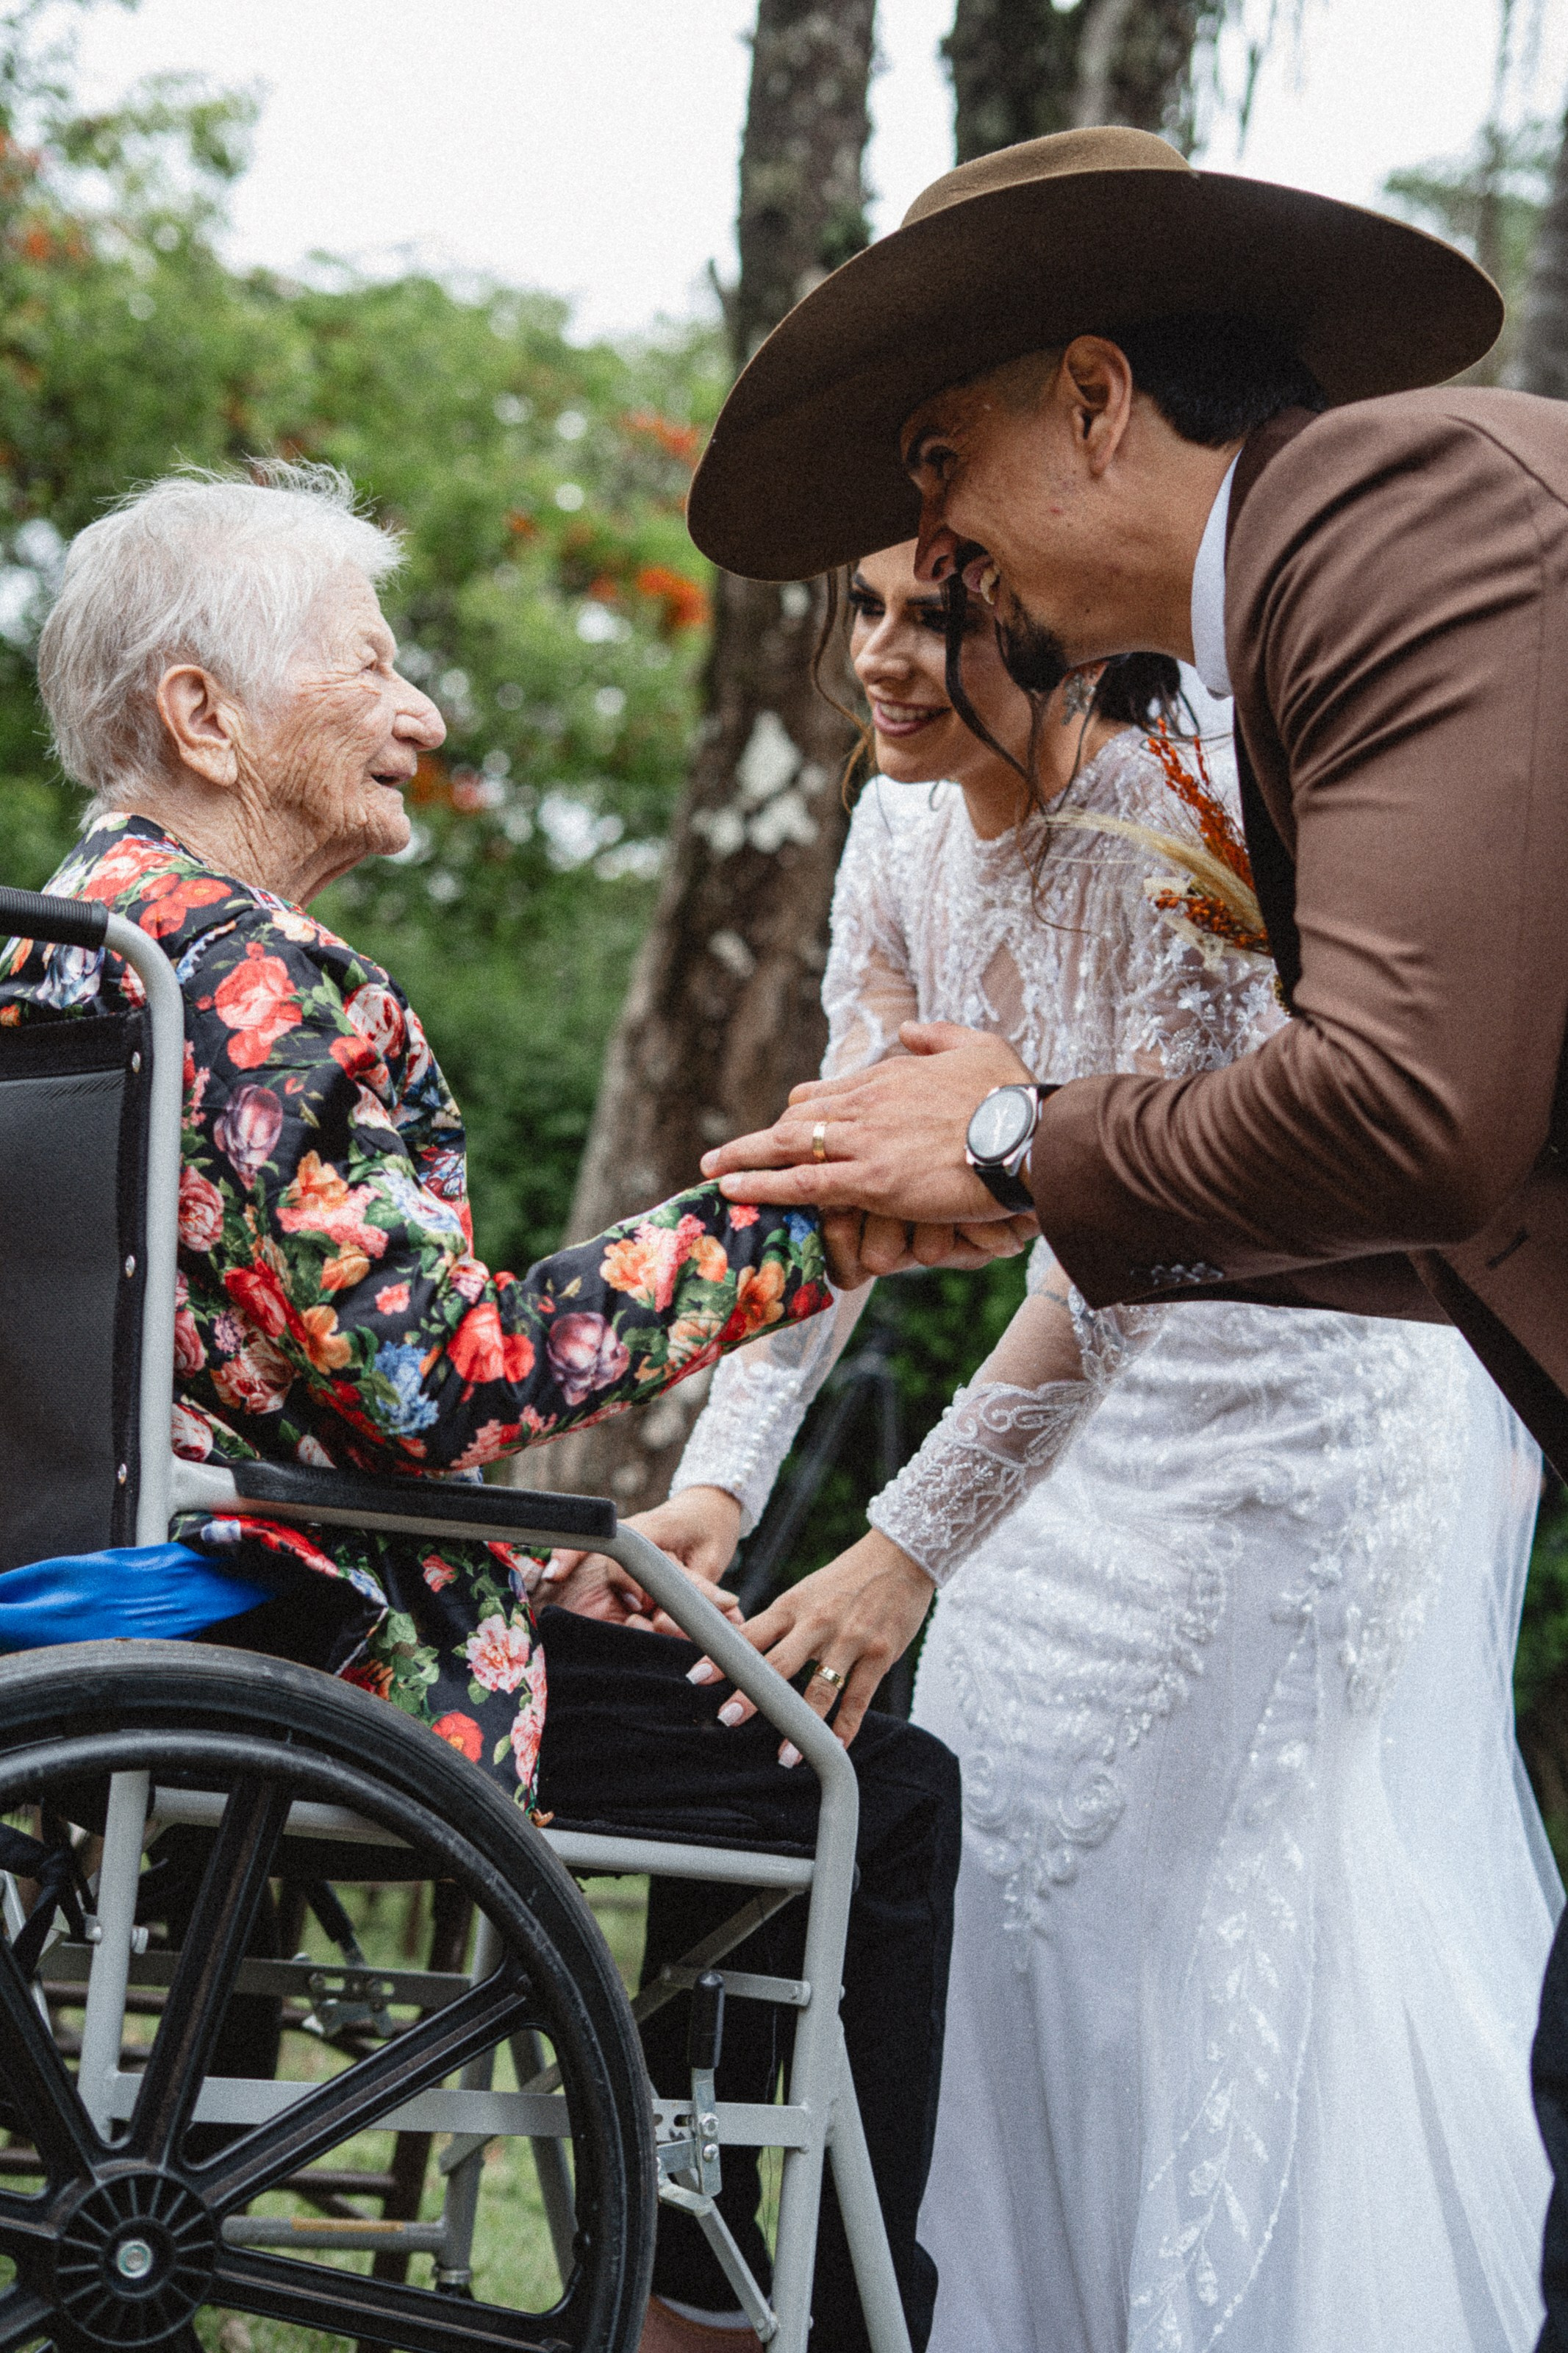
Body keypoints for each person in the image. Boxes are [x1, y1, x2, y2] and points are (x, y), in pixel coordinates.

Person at [681, 126, 1568, 2341]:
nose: (928, 541)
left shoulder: (1392, 517)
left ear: (1093, 396)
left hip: (1307, 1439)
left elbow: (1405, 1110)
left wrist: (1000, 1146)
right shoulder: (1251, 645)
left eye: (937, 458)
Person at [0, 463, 961, 2353]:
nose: (420, 710)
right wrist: (812, 1228)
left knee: (700, 1673)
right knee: (869, 1779)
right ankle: (767, 2310)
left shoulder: (62, 949)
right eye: (370, 666)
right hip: (320, 1636)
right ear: (202, 714)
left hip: (136, 1582)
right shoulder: (261, 984)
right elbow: (451, 1381)